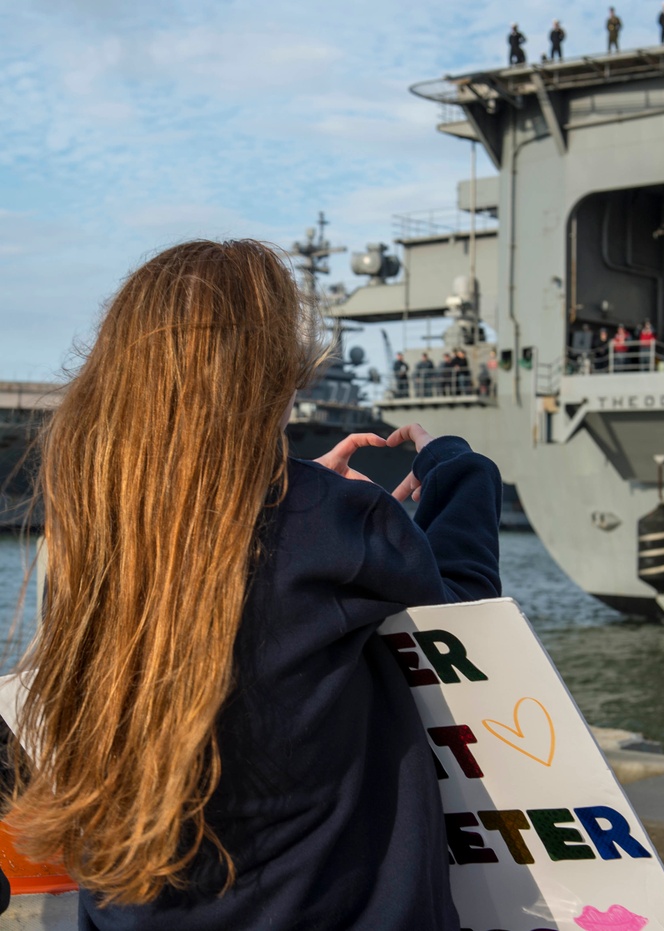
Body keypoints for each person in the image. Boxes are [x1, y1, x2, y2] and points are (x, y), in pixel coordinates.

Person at [1, 239, 503, 931]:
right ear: (270, 367)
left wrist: (290, 489)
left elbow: (219, 542)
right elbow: (470, 611)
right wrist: (456, 465)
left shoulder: (93, 523)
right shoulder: (334, 517)